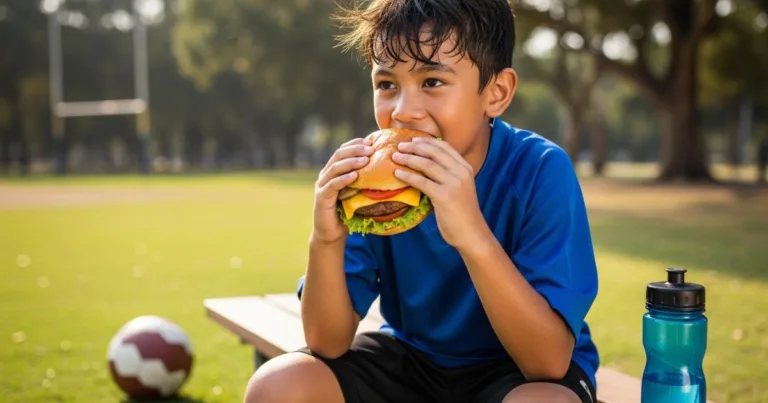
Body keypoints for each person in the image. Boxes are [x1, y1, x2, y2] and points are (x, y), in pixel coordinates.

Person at [244, 0, 600, 402]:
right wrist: (325, 239)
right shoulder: (374, 183)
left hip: (517, 373)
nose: (403, 112)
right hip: (412, 361)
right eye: (387, 85)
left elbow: (548, 363)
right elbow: (327, 342)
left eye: (432, 82)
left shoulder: (539, 170)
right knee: (279, 385)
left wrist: (471, 235)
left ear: (496, 93)